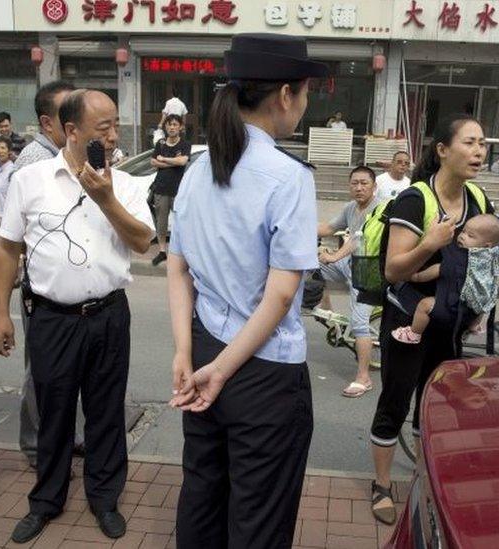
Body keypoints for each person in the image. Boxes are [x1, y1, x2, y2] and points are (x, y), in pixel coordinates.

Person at [167, 33, 327, 549]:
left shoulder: (197, 168)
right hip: (261, 370)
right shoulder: (287, 176)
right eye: (305, 93)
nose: (304, 105)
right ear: (285, 94)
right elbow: (280, 297)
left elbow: (177, 267)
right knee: (258, 520)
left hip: (206, 352)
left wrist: (186, 354)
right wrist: (222, 368)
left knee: (203, 496)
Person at [0, 89, 154, 543]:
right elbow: (7, 248)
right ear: (70, 131)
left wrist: (106, 199)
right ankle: (46, 501)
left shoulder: (125, 184)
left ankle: (105, 499)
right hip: (51, 318)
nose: (114, 135)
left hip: (108, 315)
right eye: (103, 128)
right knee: (54, 413)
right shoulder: (32, 179)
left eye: (116, 125)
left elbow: (143, 242)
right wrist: (0, 314)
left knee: (106, 412)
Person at [369, 114, 493, 525]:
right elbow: (393, 270)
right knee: (396, 399)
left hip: (449, 320)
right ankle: (382, 484)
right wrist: (430, 243)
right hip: (408, 321)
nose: (479, 151)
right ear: (442, 150)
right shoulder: (415, 199)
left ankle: (425, 477)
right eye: (470, 143)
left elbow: (483, 256)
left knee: (435, 402)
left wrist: (478, 303)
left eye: (482, 144)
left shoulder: (477, 198)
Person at [10, 79, 78, 467]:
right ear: (48, 123)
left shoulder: (68, 157)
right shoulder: (37, 162)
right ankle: (38, 447)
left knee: (62, 374)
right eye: (69, 114)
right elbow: (12, 240)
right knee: (41, 372)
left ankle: (60, 439)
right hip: (44, 293)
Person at [315, 165, 381, 398]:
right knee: (310, 264)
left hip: (370, 269)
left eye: (364, 183)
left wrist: (333, 255)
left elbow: (356, 241)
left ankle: (363, 378)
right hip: (350, 264)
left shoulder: (380, 207)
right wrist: (296, 230)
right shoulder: (350, 208)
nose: (359, 187)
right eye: (355, 183)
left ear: (374, 186)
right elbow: (329, 227)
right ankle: (326, 308)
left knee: (359, 322)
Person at [391, 213, 499, 344]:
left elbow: (436, 270)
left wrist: (415, 277)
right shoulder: (490, 262)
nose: (462, 236)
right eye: (463, 231)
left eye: (470, 236)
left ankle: (414, 333)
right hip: (471, 313)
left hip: (451, 309)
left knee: (424, 305)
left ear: (487, 246)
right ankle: (474, 325)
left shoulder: (458, 260)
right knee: (483, 301)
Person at [150, 114, 191, 267]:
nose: (172, 127)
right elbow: (153, 162)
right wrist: (172, 162)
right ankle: (162, 251)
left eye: (175, 124)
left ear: (180, 127)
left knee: (181, 221)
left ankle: (182, 253)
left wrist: (164, 160)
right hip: (161, 188)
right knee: (161, 222)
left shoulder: (185, 144)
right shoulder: (160, 144)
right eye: (169, 124)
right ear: (165, 127)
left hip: (179, 190)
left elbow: (183, 161)